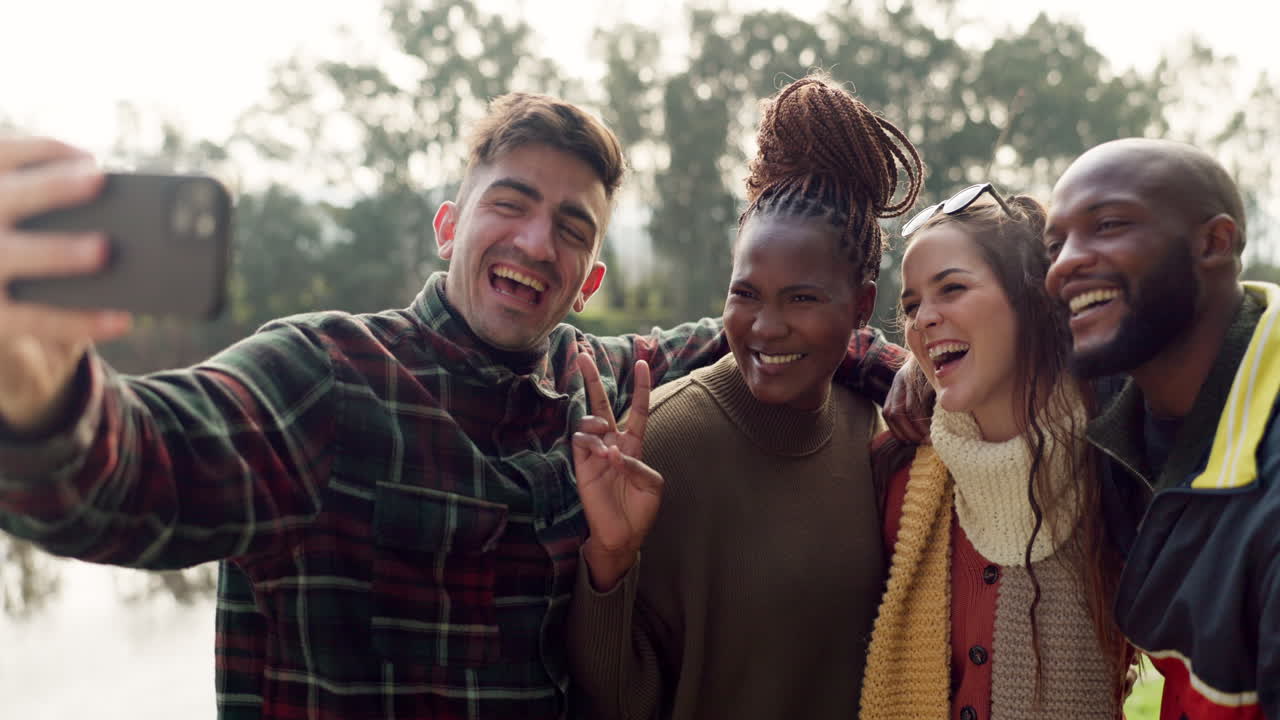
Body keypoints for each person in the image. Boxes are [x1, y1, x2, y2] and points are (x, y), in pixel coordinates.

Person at [0, 94, 901, 720]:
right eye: (509, 205)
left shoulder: (600, 384)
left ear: (589, 279)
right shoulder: (326, 376)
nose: (535, 241)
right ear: (450, 227)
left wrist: (905, 368)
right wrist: (39, 394)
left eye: (571, 227)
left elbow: (770, 328)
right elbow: (128, 479)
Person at [563, 73, 924, 720]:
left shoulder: (878, 436)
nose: (766, 327)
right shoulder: (661, 446)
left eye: (803, 299)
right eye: (746, 294)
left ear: (862, 304)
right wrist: (608, 564)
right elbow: (614, 697)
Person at [861, 184, 1132, 720]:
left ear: (1031, 299)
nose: (923, 320)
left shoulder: (1116, 464)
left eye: (952, 288)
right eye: (912, 305)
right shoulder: (896, 470)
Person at [1044, 138, 1280, 719]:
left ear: (1214, 242)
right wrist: (905, 372)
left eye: (1109, 224)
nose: (1063, 265)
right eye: (1055, 244)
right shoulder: (1119, 409)